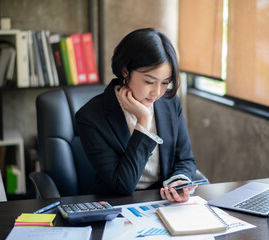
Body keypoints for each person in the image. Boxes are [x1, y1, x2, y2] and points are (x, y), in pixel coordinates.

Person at [76, 28, 196, 202]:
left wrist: (179, 181)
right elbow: (122, 185)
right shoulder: (91, 117)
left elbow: (185, 160)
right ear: (126, 71)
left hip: (163, 202)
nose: (156, 92)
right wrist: (143, 122)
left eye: (165, 83)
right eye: (149, 81)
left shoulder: (170, 103)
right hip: (117, 206)